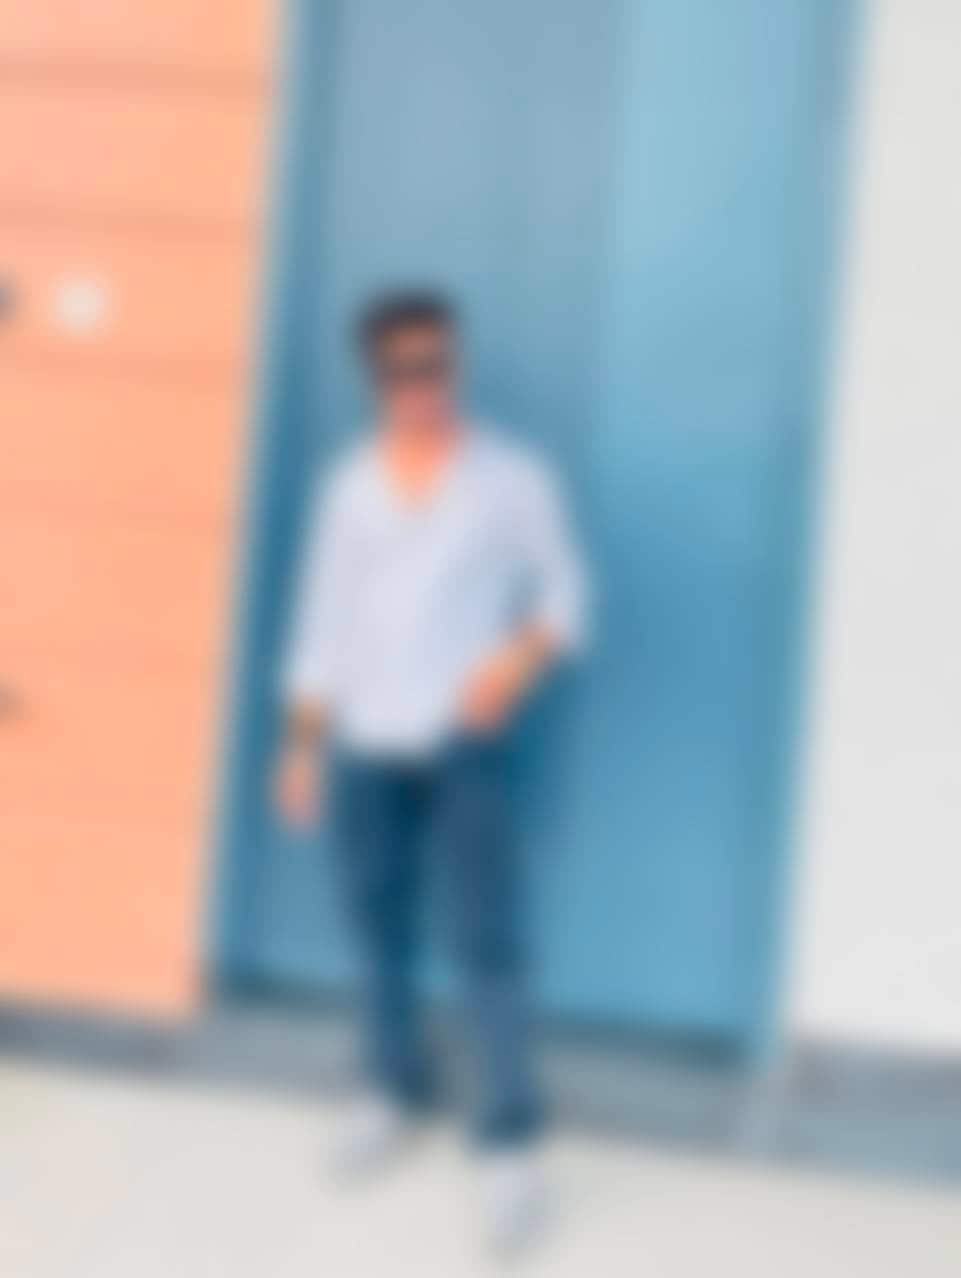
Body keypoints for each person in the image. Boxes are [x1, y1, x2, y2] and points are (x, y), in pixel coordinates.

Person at [273, 289, 588, 1250]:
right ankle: (390, 1090)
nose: (425, 386)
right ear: (374, 377)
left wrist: (513, 664)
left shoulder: (512, 478)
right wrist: (301, 742)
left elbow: (565, 595)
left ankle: (509, 1145)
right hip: (364, 741)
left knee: (487, 941)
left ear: (456, 362)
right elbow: (322, 622)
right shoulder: (349, 487)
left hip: (461, 742)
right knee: (377, 928)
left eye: (438, 364)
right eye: (403, 370)